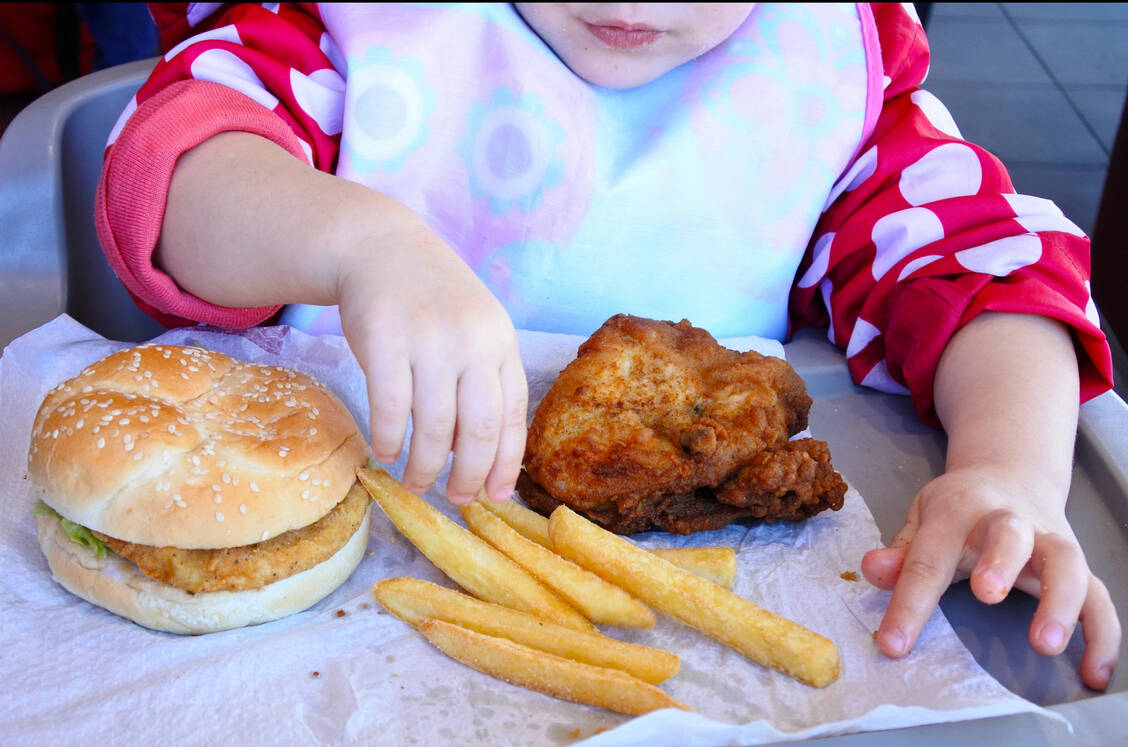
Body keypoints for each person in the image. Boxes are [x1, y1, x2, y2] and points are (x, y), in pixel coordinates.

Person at [94, 3, 1119, 690]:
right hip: (304, 649)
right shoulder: (347, 31)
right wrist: (362, 244)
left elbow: (986, 265)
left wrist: (1009, 470)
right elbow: (169, 175)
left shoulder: (825, 76)